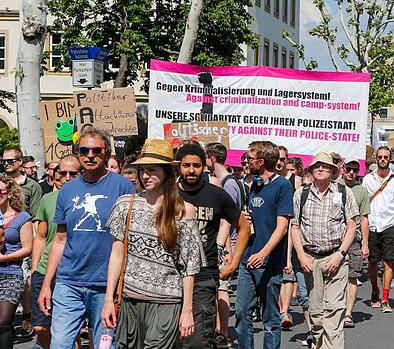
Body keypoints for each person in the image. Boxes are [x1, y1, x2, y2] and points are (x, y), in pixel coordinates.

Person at [101, 139, 205, 347]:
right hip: (130, 300)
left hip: (166, 302)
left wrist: (187, 310)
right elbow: (116, 254)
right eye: (142, 170)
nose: (145, 175)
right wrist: (107, 300)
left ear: (167, 172)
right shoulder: (125, 205)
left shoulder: (184, 210)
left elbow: (189, 266)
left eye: (152, 170)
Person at [38, 126, 135, 347]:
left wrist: (116, 290)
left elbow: (126, 240)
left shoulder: (123, 187)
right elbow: (59, 240)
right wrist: (46, 284)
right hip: (68, 282)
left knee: (104, 345)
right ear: (78, 153)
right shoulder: (67, 190)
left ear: (106, 152)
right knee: (60, 344)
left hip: (105, 285)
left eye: (96, 150)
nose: (90, 155)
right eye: (84, 150)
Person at [175, 143, 250, 349]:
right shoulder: (170, 194)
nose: (191, 170)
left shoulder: (216, 195)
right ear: (178, 167)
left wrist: (234, 263)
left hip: (204, 277)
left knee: (198, 341)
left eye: (196, 165)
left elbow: (243, 227)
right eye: (186, 165)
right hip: (171, 278)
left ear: (204, 165)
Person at [290, 152, 358, 349]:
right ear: (311, 171)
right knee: (316, 312)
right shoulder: (300, 194)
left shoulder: (344, 192)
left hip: (336, 257)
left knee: (334, 310)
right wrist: (301, 255)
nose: (320, 169)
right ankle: (317, 344)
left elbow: (352, 226)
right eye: (317, 166)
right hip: (311, 259)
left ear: (332, 171)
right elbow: (295, 227)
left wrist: (340, 254)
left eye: (325, 167)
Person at [235, 141, 293, 349]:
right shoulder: (255, 184)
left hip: (269, 263)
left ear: (261, 161)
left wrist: (263, 253)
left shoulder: (283, 185)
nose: (246, 161)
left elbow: (282, 226)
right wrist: (245, 219)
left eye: (250, 158)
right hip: (246, 260)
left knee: (270, 319)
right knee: (242, 313)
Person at [30, 155, 80, 349]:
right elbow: (41, 237)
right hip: (44, 269)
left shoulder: (85, 198)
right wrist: (35, 270)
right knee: (41, 327)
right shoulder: (47, 199)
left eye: (73, 174)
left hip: (70, 271)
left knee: (68, 329)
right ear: (56, 174)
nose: (67, 177)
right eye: (63, 173)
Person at [362, 147, 394, 313]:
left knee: (389, 261)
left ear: (390, 159)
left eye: (385, 157)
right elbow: (363, 202)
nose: (382, 159)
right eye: (380, 157)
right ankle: (375, 289)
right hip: (373, 224)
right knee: (373, 262)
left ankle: (385, 298)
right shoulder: (368, 179)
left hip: (389, 224)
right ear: (376, 158)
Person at [0, 175, 33, 348]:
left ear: (10, 194)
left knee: (4, 321)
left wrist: (5, 257)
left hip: (11, 273)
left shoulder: (22, 217)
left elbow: (27, 248)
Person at [340, 160, 370, 329]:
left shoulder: (361, 191)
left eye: (354, 170)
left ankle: (348, 313)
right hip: (335, 239)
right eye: (348, 169)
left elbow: (365, 219)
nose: (351, 172)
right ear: (343, 170)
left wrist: (365, 243)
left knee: (352, 276)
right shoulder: (334, 186)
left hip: (354, 240)